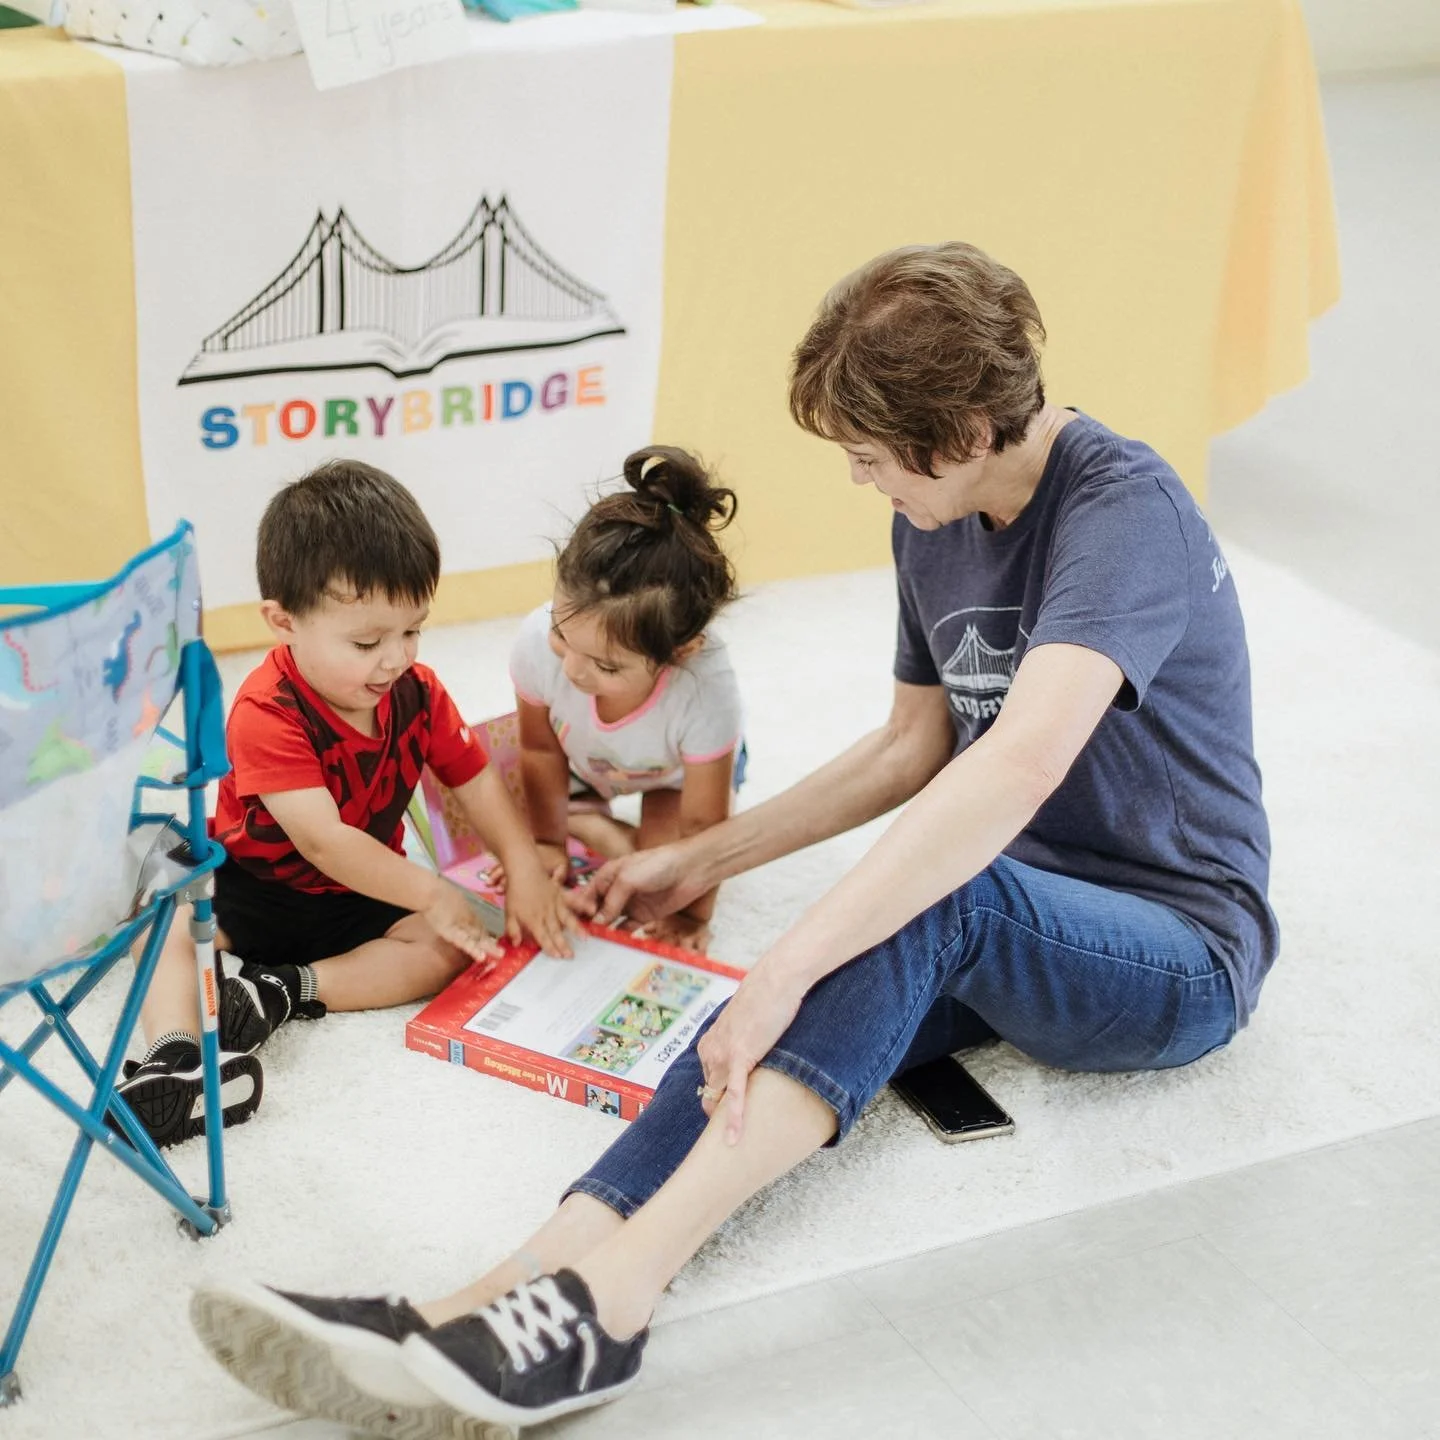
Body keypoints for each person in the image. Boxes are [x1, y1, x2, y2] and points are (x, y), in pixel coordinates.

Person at [188, 243, 1279, 1435]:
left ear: (964, 432)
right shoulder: (940, 515)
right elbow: (910, 750)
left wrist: (792, 955)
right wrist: (696, 860)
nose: (865, 485)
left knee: (884, 924)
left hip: (1178, 944)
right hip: (1016, 906)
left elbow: (1010, 770)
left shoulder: (1124, 514)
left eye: (870, 460)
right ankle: (485, 1299)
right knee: (777, 1002)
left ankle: (610, 1306)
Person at [117, 461, 576, 1148]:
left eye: (411, 631)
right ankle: (175, 1057)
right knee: (166, 922)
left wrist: (524, 862)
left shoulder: (417, 692)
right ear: (282, 621)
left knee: (451, 946)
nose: (394, 658)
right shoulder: (265, 711)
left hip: (361, 894)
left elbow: (475, 779)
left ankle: (279, 992)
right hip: (257, 887)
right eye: (367, 642)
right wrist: (430, 890)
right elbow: (324, 841)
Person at [507, 445, 744, 949]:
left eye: (607, 665)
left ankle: (597, 826)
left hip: (677, 779)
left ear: (679, 653)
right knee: (497, 805)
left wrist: (692, 917)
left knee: (654, 884)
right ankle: (588, 822)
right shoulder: (534, 643)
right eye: (561, 636)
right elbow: (539, 749)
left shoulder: (705, 687)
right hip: (578, 759)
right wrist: (548, 844)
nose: (572, 670)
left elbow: (706, 824)